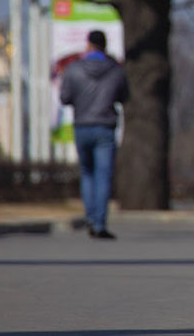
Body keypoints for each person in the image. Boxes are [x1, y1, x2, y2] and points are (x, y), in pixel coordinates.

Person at [59, 29, 128, 240]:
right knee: (103, 176)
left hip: (82, 126)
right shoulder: (116, 70)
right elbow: (124, 96)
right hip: (105, 126)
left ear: (88, 45)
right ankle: (99, 223)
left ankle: (90, 217)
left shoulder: (73, 69)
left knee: (87, 172)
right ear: (104, 46)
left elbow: (64, 97)